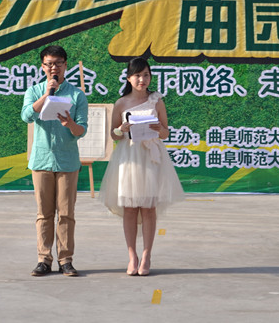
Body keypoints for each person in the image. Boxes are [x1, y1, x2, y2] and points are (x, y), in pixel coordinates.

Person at [98, 57, 184, 276]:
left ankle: (146, 255)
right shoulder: (121, 103)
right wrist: (122, 129)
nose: (142, 80)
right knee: (129, 207)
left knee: (148, 207)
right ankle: (132, 256)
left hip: (151, 157)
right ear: (129, 78)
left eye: (146, 75)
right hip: (129, 156)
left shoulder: (156, 101)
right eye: (137, 75)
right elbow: (114, 135)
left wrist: (159, 129)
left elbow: (165, 132)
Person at [21, 45, 88, 277]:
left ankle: (66, 260)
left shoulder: (77, 95)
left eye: (58, 63)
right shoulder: (34, 91)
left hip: (67, 161)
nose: (54, 68)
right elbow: (26, 116)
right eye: (49, 64)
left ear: (65, 65)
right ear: (42, 67)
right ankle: (44, 259)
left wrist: (70, 124)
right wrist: (46, 96)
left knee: (66, 213)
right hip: (41, 160)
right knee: (44, 213)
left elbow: (82, 130)